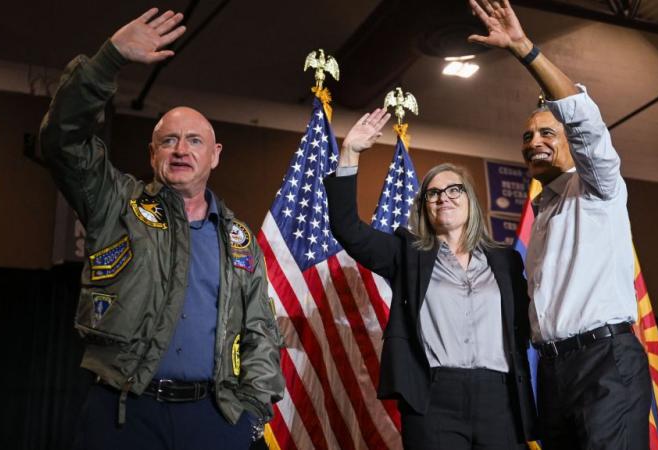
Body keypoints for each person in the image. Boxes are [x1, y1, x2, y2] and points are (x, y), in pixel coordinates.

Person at [39, 9, 284, 450]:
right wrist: (108, 60)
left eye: (194, 141)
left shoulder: (239, 239)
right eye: (168, 141)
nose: (181, 150)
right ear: (153, 155)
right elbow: (63, 141)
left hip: (213, 419)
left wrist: (251, 415)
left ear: (215, 155)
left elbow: (261, 332)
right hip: (123, 413)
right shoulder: (117, 203)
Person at [469, 0, 653, 448]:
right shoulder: (544, 212)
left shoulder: (599, 186)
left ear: (573, 145)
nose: (534, 142)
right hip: (553, 373)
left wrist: (524, 49)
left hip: (606, 363)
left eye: (547, 133)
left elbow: (585, 121)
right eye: (527, 137)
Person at [323, 109, 538, 449]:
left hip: (500, 398)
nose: (444, 198)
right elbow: (348, 229)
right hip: (433, 398)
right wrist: (349, 153)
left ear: (471, 201)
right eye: (433, 194)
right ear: (424, 207)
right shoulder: (407, 254)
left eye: (454, 189)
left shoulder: (506, 261)